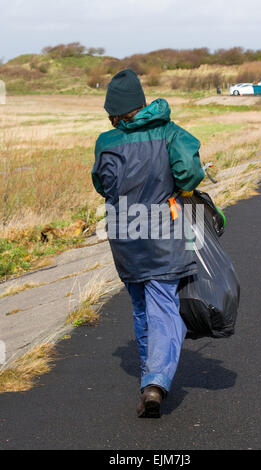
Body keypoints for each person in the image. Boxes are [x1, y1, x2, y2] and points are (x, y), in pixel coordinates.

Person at [92, 69, 205, 418]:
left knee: (141, 305)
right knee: (165, 307)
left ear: (114, 111)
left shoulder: (106, 142)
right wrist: (181, 188)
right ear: (141, 103)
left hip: (124, 234)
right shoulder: (170, 132)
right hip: (163, 232)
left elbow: (102, 184)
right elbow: (189, 171)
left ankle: (149, 376)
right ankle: (156, 382)